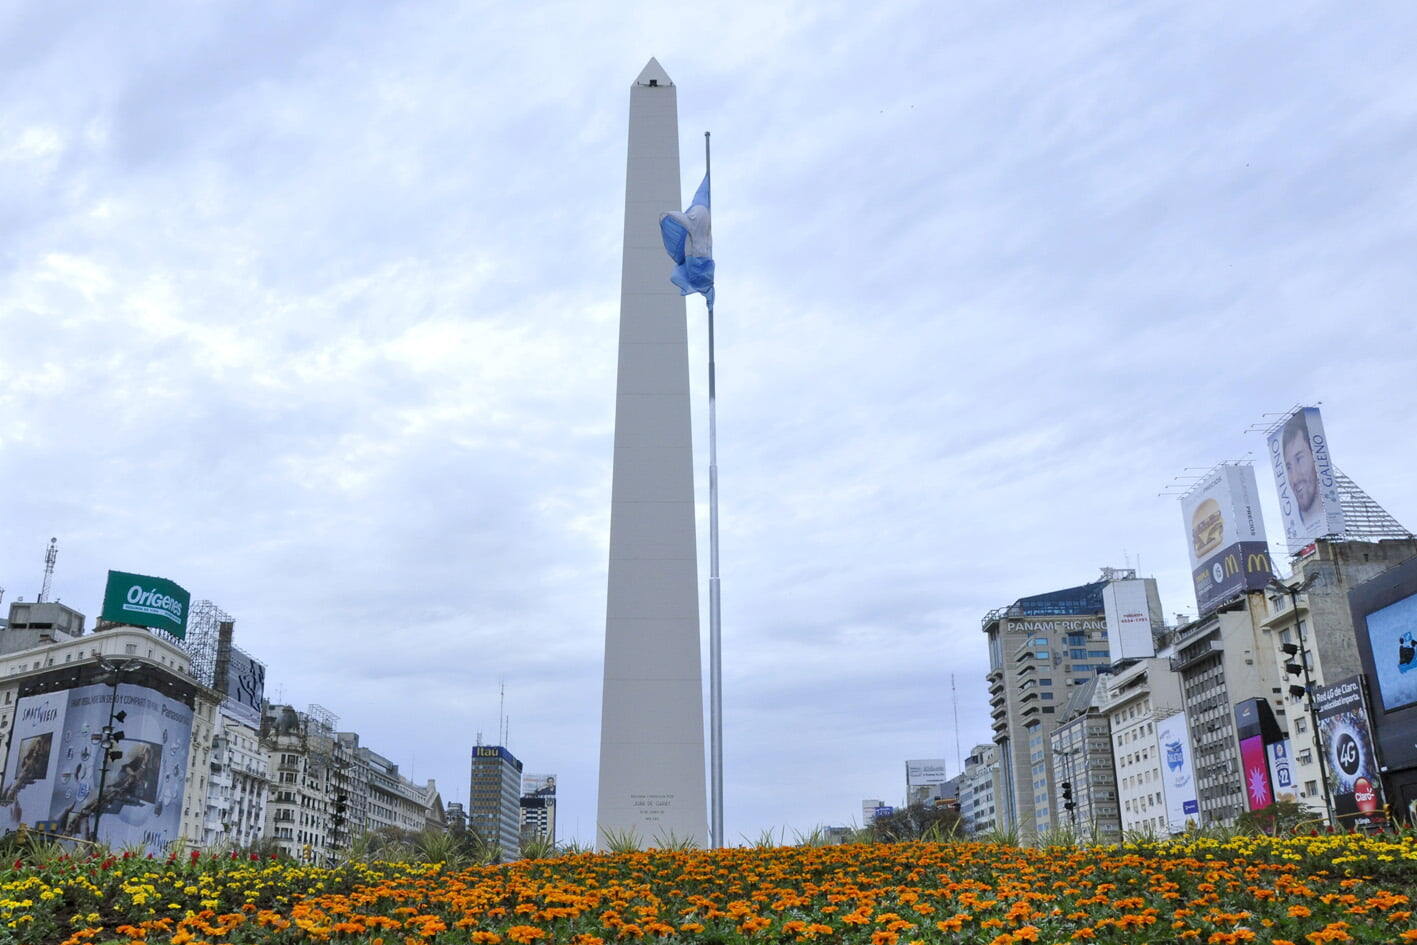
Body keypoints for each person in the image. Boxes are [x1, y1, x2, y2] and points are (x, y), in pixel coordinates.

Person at [1281, 413, 1322, 529]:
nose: (1295, 478)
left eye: (1299, 459)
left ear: (1315, 456)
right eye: (1288, 467)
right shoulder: (1296, 528)